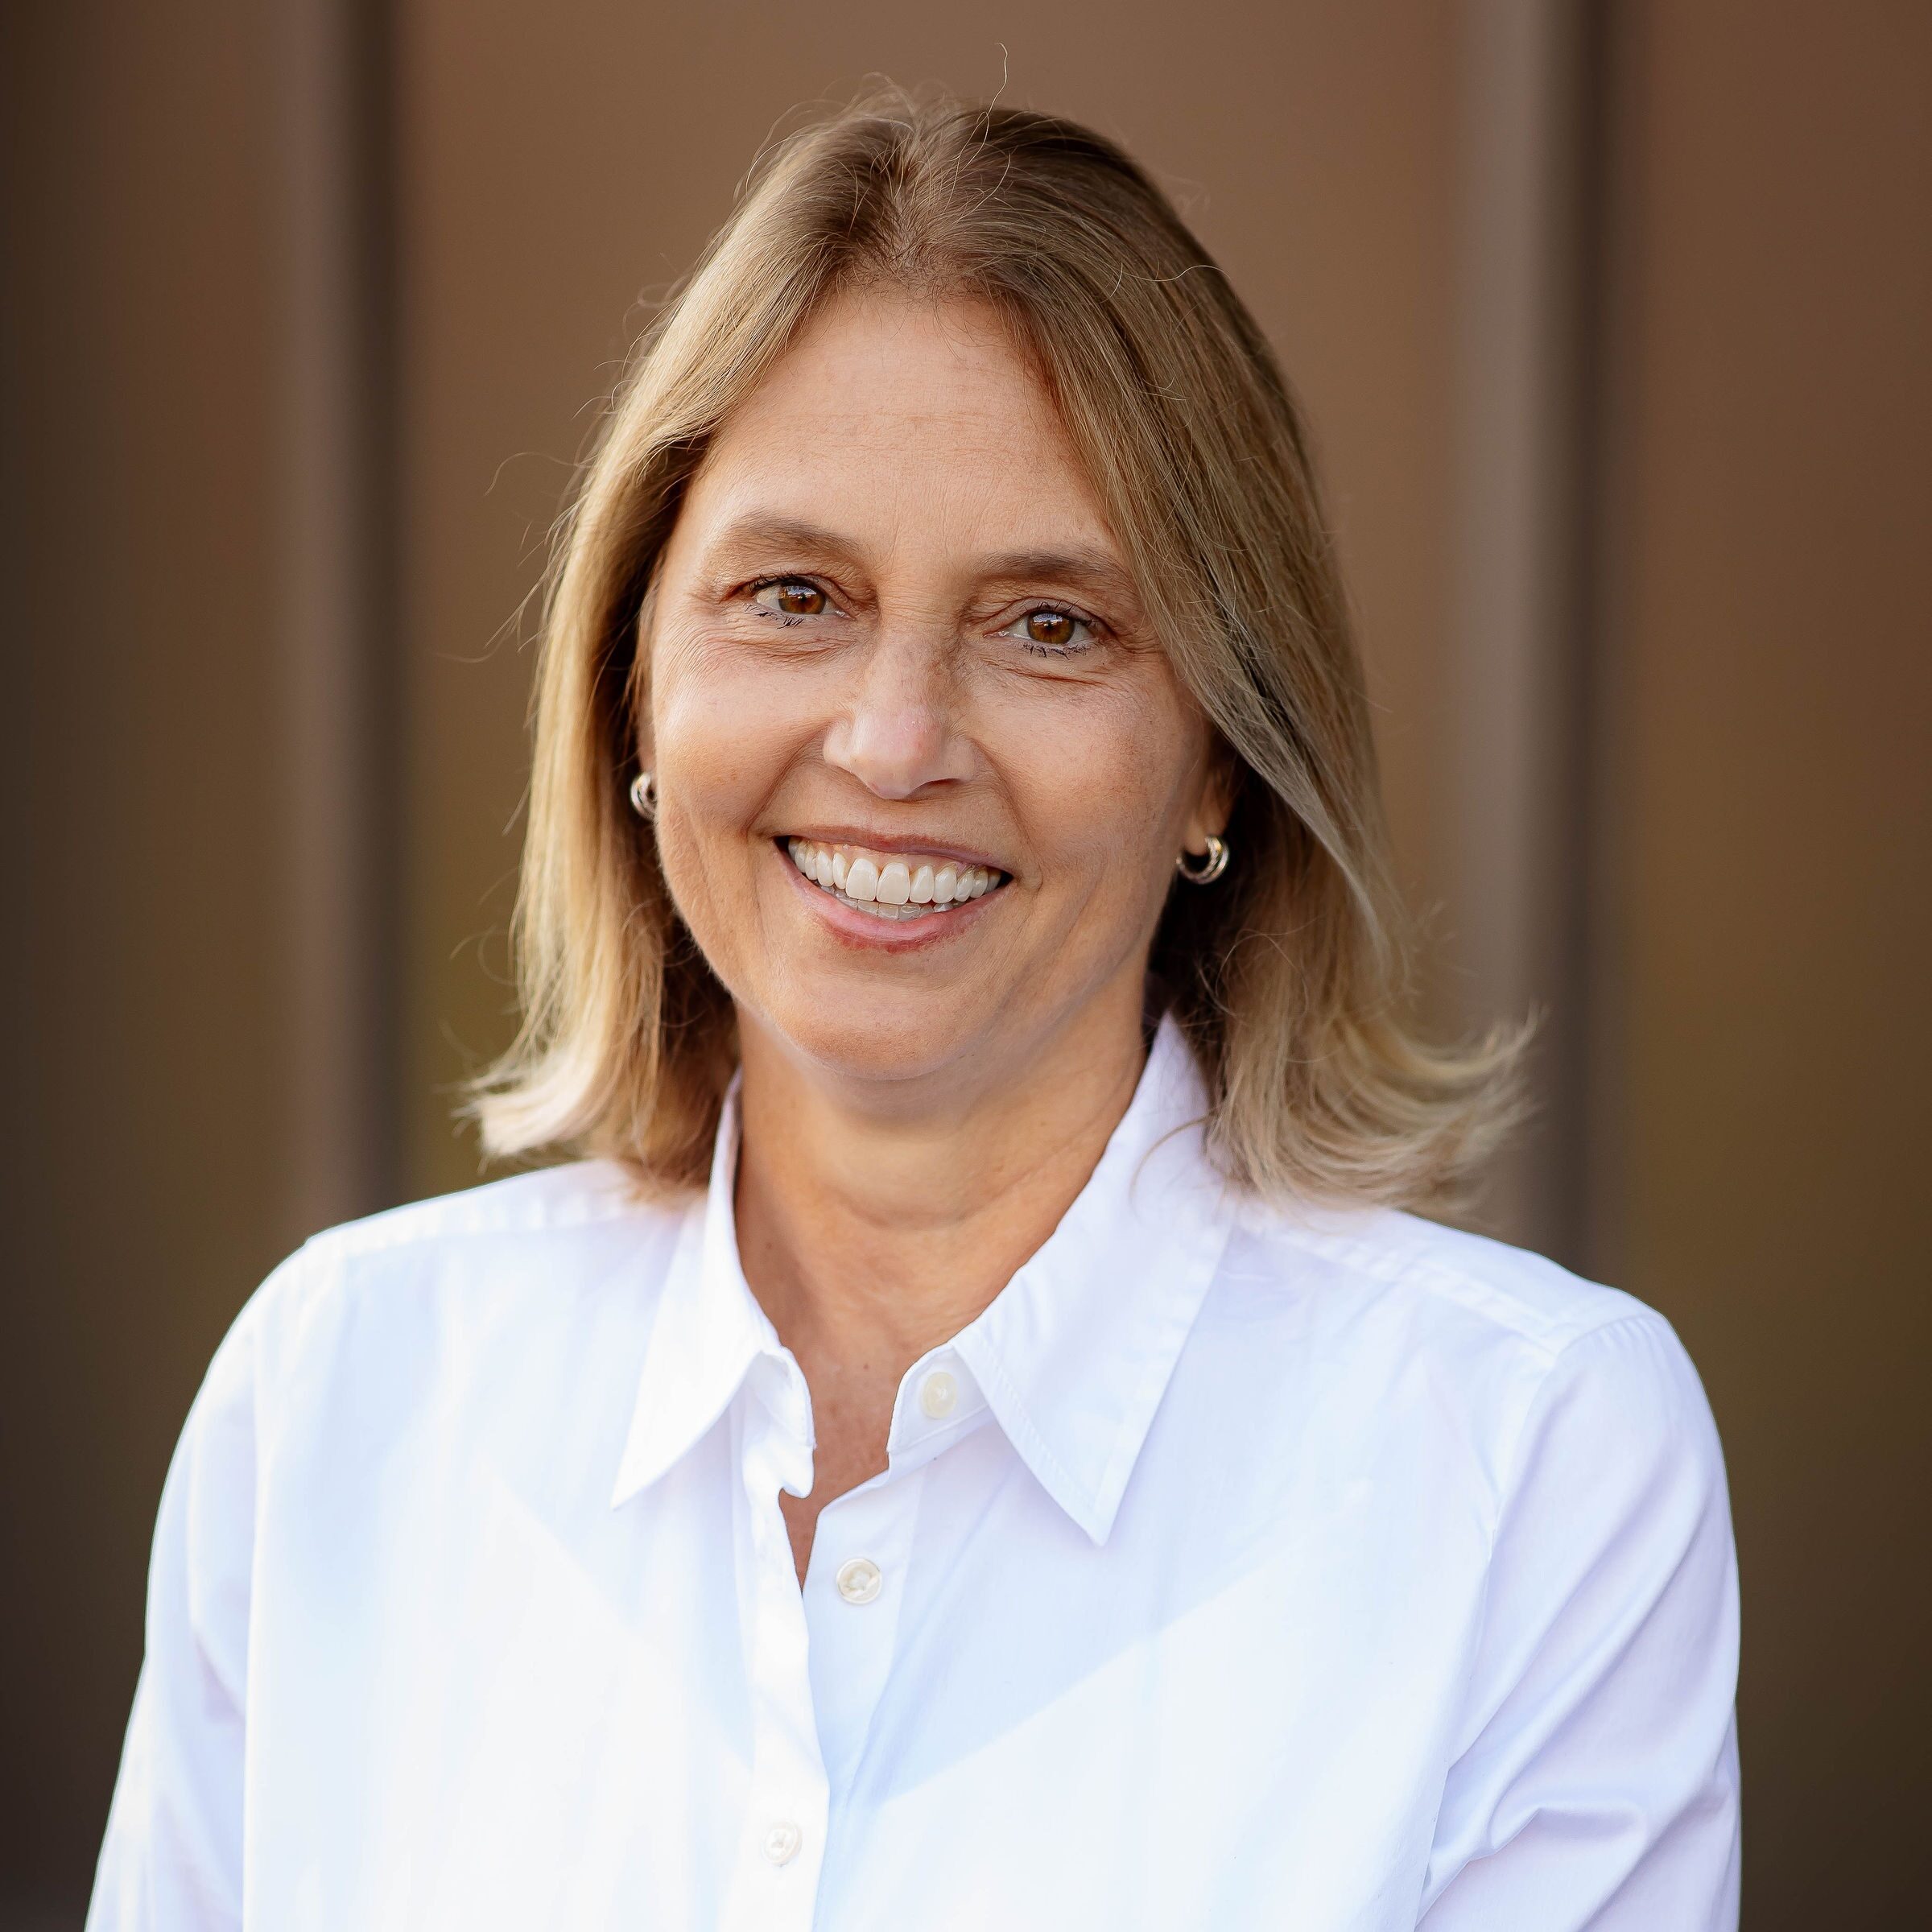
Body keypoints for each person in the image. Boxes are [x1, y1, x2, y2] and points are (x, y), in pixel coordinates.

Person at [88, 94, 1740, 1931]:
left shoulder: (1531, 1464)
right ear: (639, 694)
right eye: (793, 597)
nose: (890, 744)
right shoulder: (339, 1393)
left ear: (1220, 763)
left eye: (1051, 627)